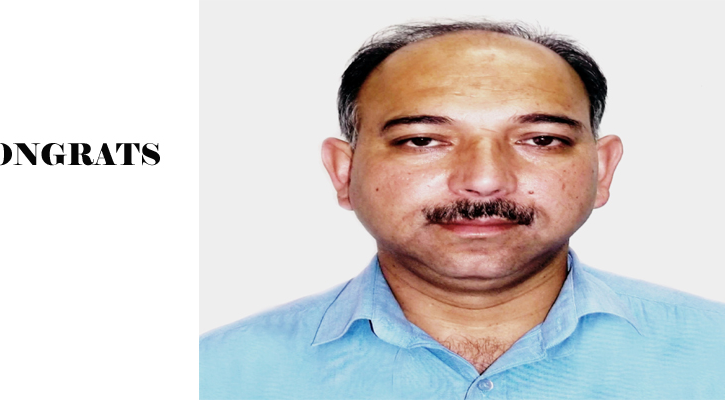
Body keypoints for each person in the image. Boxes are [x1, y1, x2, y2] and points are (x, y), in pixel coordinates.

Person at [199, 20, 725, 399]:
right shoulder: (208, 376)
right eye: (423, 140)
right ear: (344, 172)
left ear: (603, 170)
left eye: (541, 139)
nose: (485, 179)